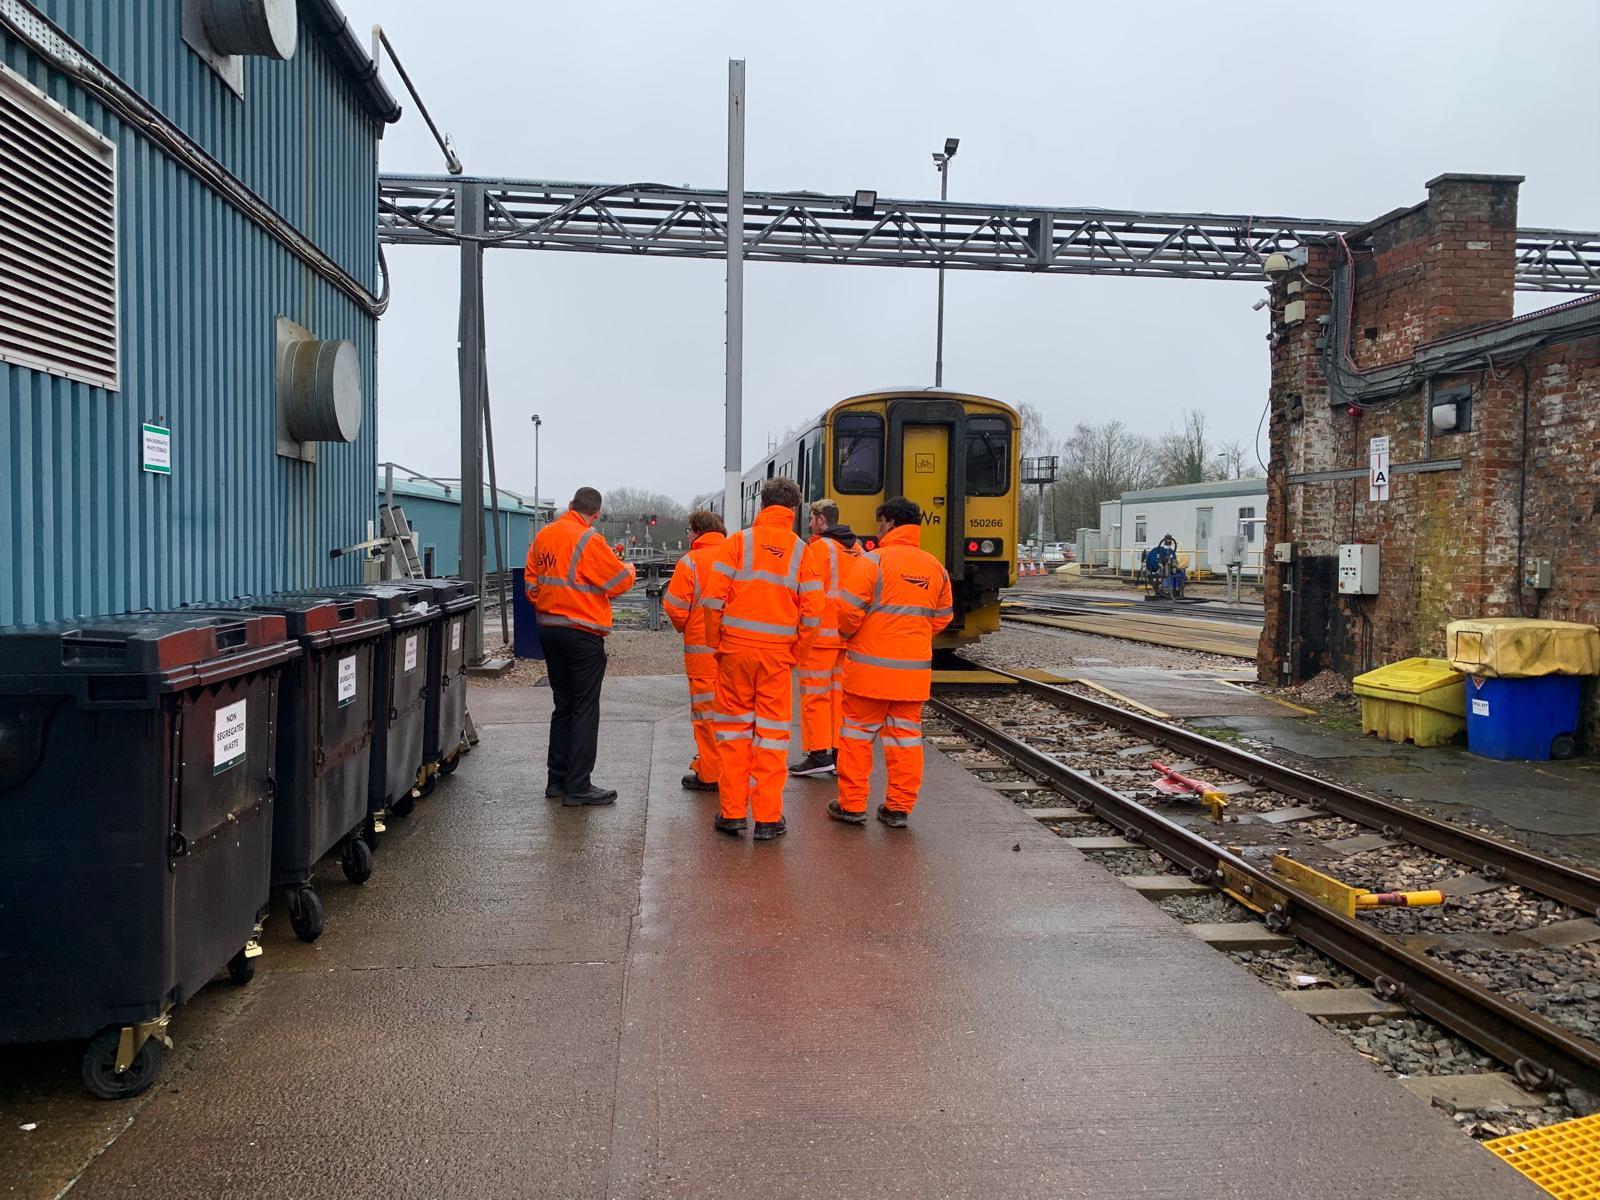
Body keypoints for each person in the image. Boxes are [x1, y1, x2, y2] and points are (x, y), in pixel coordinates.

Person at [700, 478, 823, 840]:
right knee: (771, 738)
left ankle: (732, 813)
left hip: (735, 653)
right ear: (794, 509)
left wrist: (716, 643)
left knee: (733, 734)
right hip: (776, 658)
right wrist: (796, 654)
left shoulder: (738, 543)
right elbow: (813, 612)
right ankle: (768, 819)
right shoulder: (802, 552)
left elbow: (712, 600)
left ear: (762, 504)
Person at [831, 497, 953, 828]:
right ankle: (898, 808)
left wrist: (851, 634)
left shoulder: (873, 562)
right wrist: (911, 635)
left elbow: (847, 611)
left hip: (868, 674)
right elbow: (943, 617)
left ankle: (852, 806)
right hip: (912, 677)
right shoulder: (935, 568)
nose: (878, 528)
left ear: (890, 522)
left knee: (857, 738)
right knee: (905, 741)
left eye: (880, 522)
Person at [525, 487, 636, 806]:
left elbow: (531, 585)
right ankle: (578, 786)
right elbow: (617, 582)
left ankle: (557, 781)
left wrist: (551, 601)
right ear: (596, 514)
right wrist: (629, 570)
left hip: (549, 631)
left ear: (571, 505)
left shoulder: (544, 536)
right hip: (582, 634)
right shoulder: (589, 539)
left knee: (563, 706)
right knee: (584, 708)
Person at [789, 499, 862, 777]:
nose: (809, 524)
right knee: (840, 697)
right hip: (848, 636)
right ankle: (839, 755)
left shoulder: (819, 549)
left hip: (820, 637)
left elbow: (807, 592)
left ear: (821, 519)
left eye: (811, 519)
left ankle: (818, 755)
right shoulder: (858, 549)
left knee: (815, 697)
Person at [663, 509, 728, 792]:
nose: (688, 535)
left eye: (690, 530)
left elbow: (675, 606)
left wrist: (686, 626)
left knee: (706, 717)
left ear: (698, 531)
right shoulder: (738, 557)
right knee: (735, 717)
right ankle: (734, 771)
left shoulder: (691, 562)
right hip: (737, 651)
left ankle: (711, 773)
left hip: (703, 656)